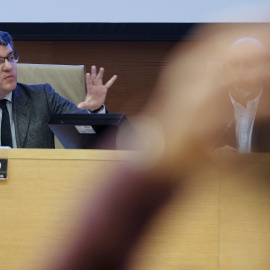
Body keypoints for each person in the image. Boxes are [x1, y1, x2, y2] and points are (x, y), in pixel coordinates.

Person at [0, 30, 117, 148]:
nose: (9, 66)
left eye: (11, 57)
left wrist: (96, 111)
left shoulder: (42, 97)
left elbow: (93, 137)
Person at [215, 37, 270, 153]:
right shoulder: (209, 107)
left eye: (249, 65)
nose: (240, 72)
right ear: (225, 69)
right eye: (234, 65)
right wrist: (212, 157)